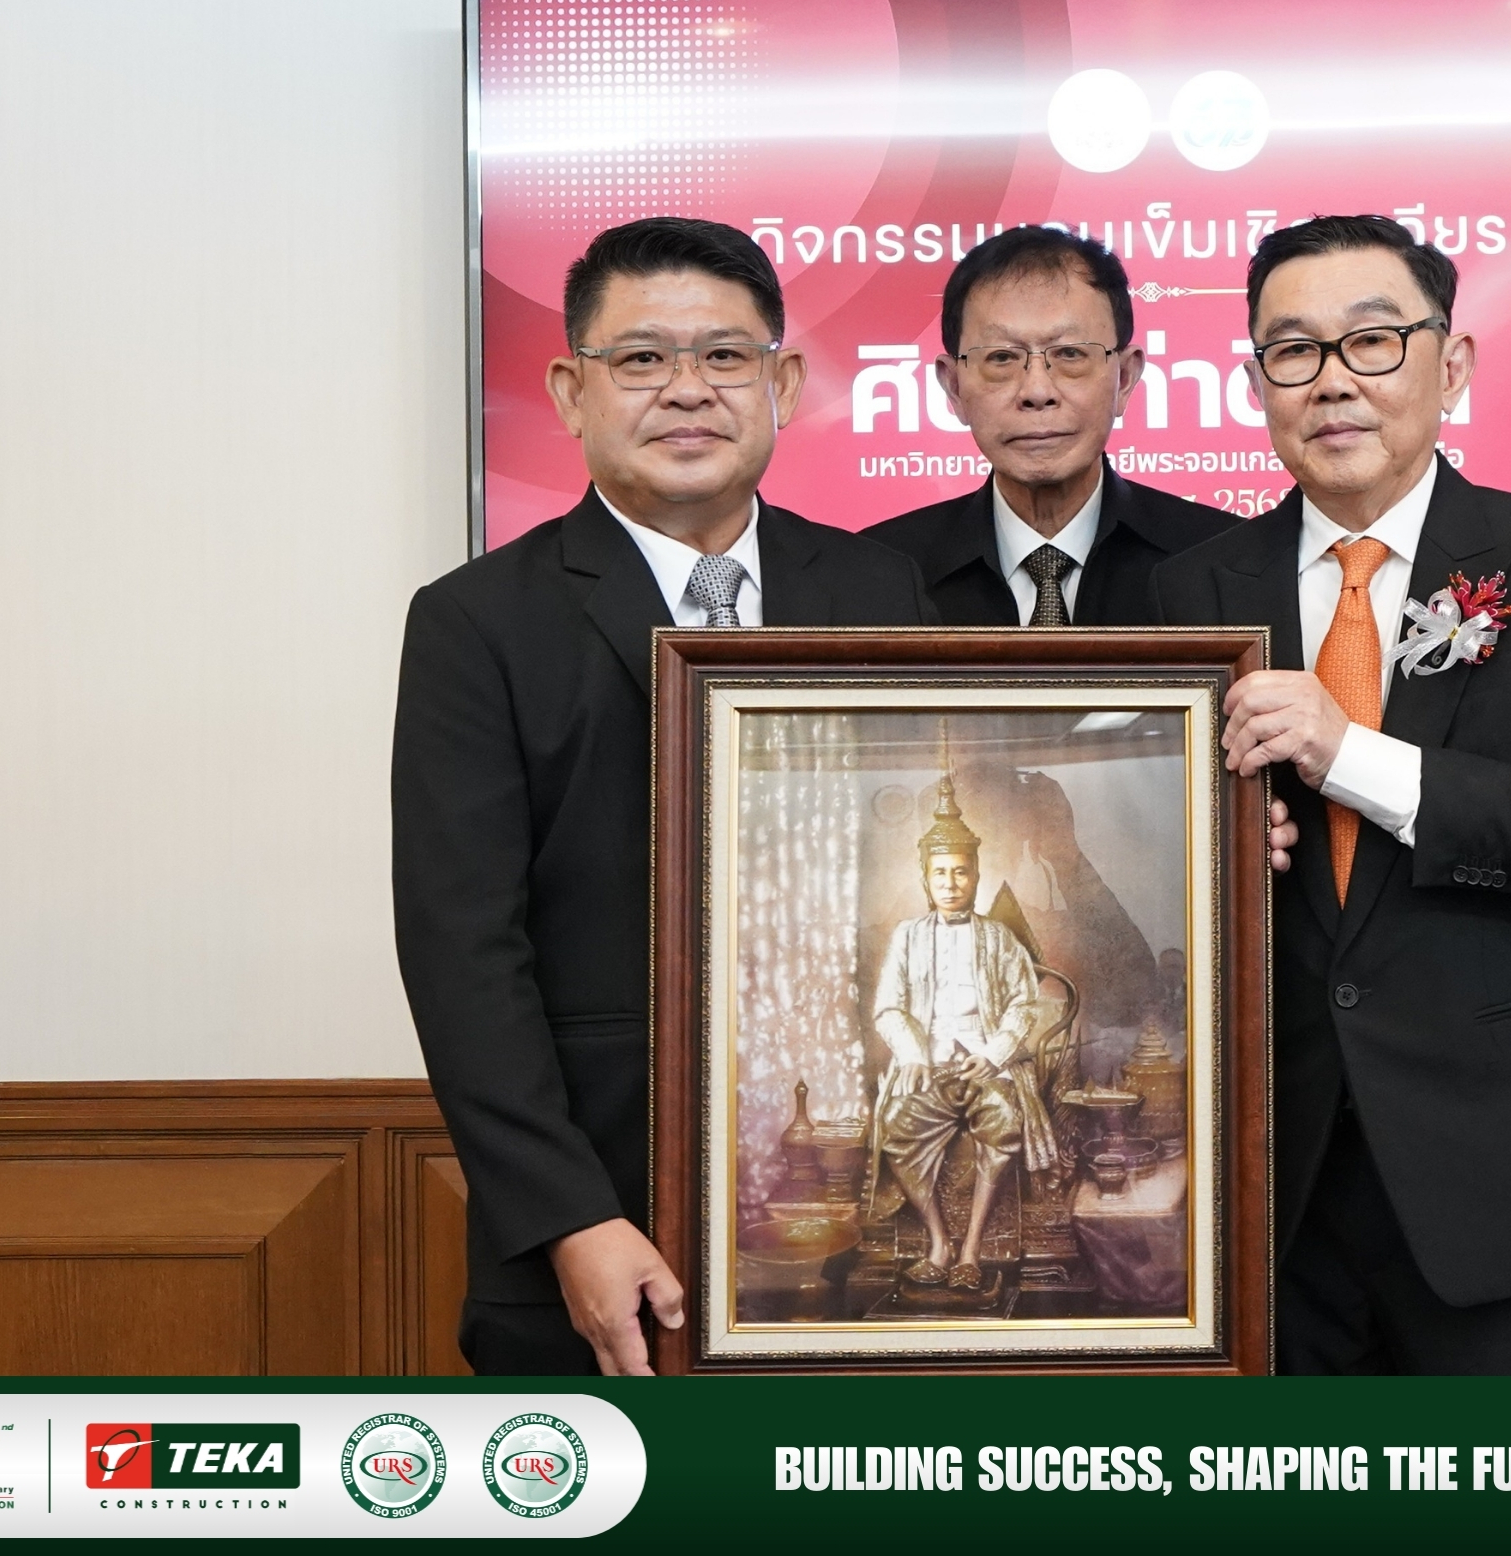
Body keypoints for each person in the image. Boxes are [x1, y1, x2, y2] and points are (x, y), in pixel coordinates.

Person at [392, 217, 934, 1377]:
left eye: (726, 356)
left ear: (784, 384)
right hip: (608, 1219)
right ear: (570, 391)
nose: (689, 389)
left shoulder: (885, 590)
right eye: (641, 358)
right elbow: (461, 952)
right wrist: (570, 1219)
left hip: (872, 1207)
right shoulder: (476, 624)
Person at [1153, 214, 1511, 1373]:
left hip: (1505, 1189)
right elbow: (1149, 882)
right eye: (1294, 350)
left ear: (1453, 366)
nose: (1333, 381)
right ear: (1254, 383)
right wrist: (1207, 850)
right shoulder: (1189, 592)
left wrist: (1351, 758)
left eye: (1372, 341)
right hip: (1269, 1198)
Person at [864, 226, 1235, 625]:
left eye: (1070, 354)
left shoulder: (1223, 563)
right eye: (1001, 357)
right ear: (953, 387)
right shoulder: (875, 575)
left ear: (1125, 378)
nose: (1037, 391)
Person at [866, 771, 1061, 1292]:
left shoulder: (999, 938)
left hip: (984, 1062)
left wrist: (994, 1055)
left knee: (1004, 1122)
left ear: (975, 876)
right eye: (940, 874)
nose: (950, 883)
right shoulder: (907, 937)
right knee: (897, 1128)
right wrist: (912, 1055)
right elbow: (889, 1008)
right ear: (925, 880)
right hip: (926, 1064)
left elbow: (1023, 1005)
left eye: (960, 872)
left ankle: (971, 1249)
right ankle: (938, 1243)